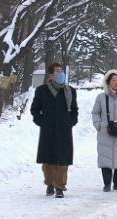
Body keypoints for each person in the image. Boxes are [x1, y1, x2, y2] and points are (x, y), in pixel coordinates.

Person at [31, 62, 78, 198]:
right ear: (51, 74)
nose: (61, 73)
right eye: (58, 71)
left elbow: (74, 109)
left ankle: (60, 186)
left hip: (64, 130)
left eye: (62, 70)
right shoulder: (42, 90)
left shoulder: (70, 91)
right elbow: (35, 110)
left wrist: (71, 121)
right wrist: (41, 122)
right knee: (48, 160)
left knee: (63, 159)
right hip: (48, 130)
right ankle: (50, 183)